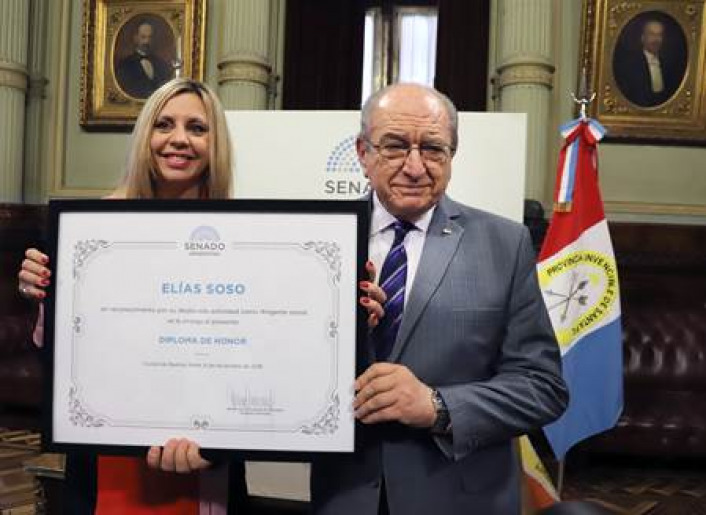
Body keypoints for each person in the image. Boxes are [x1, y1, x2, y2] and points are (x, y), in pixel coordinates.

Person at [310, 83, 569, 515]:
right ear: (362, 152)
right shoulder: (317, 241)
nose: (415, 167)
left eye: (433, 149)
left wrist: (437, 406)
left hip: (461, 499)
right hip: (345, 496)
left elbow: (542, 387)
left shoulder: (505, 245)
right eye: (394, 147)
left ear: (452, 155)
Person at [18, 78, 242, 514]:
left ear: (216, 143)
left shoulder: (245, 239)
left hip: (208, 458)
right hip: (109, 460)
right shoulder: (90, 233)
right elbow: (62, 356)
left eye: (197, 127)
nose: (179, 139)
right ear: (145, 137)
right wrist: (41, 293)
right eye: (164, 124)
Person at [613, 18, 684, 107]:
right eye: (651, 34)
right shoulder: (630, 65)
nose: (656, 39)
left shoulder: (669, 65)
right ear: (643, 38)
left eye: (659, 35)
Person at [115, 20, 173, 99]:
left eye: (150, 37)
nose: (147, 41)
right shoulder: (125, 64)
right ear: (136, 38)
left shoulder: (161, 63)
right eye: (143, 37)